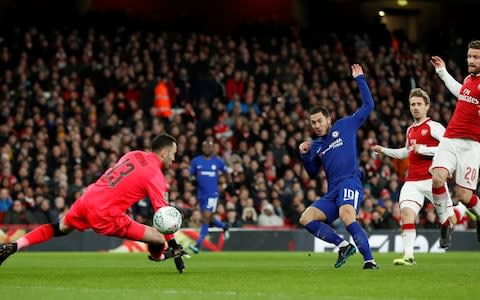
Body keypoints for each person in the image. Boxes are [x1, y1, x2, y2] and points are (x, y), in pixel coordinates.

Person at [0, 133, 188, 273]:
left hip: (88, 198)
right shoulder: (157, 176)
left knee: (60, 227)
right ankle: (161, 256)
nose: (174, 158)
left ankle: (14, 246)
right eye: (173, 154)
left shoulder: (134, 154)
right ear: (164, 153)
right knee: (157, 238)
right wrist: (172, 244)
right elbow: (163, 216)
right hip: (105, 213)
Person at [373, 88, 467, 265]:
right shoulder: (410, 130)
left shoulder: (434, 127)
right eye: (412, 104)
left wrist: (423, 149)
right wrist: (383, 150)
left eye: (419, 104)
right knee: (406, 213)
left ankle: (463, 209)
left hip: (433, 181)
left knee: (450, 220)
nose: (415, 107)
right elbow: (405, 153)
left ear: (427, 107)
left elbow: (450, 147)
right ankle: (409, 256)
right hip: (412, 182)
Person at [299, 64, 378, 270]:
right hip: (332, 191)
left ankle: (369, 260)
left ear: (328, 119)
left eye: (319, 121)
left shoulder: (345, 125)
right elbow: (312, 173)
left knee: (346, 215)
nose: (316, 126)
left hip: (350, 182)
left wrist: (360, 78)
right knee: (306, 218)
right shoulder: (315, 146)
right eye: (312, 123)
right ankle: (343, 246)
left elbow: (369, 106)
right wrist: (305, 156)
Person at [430, 40, 480, 247]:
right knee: (437, 179)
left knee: (464, 196)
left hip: (471, 146)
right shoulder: (470, 79)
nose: (471, 60)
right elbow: (462, 93)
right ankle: (445, 222)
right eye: (469, 56)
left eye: (476, 57)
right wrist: (442, 72)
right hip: (450, 139)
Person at [188, 137, 232, 254]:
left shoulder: (218, 161)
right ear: (202, 148)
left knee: (205, 217)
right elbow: (190, 175)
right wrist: (192, 179)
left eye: (209, 146)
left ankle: (198, 245)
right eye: (205, 146)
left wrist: (228, 186)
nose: (207, 148)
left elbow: (227, 172)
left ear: (212, 148)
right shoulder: (196, 161)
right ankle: (224, 226)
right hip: (201, 194)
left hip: (212, 195)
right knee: (209, 217)